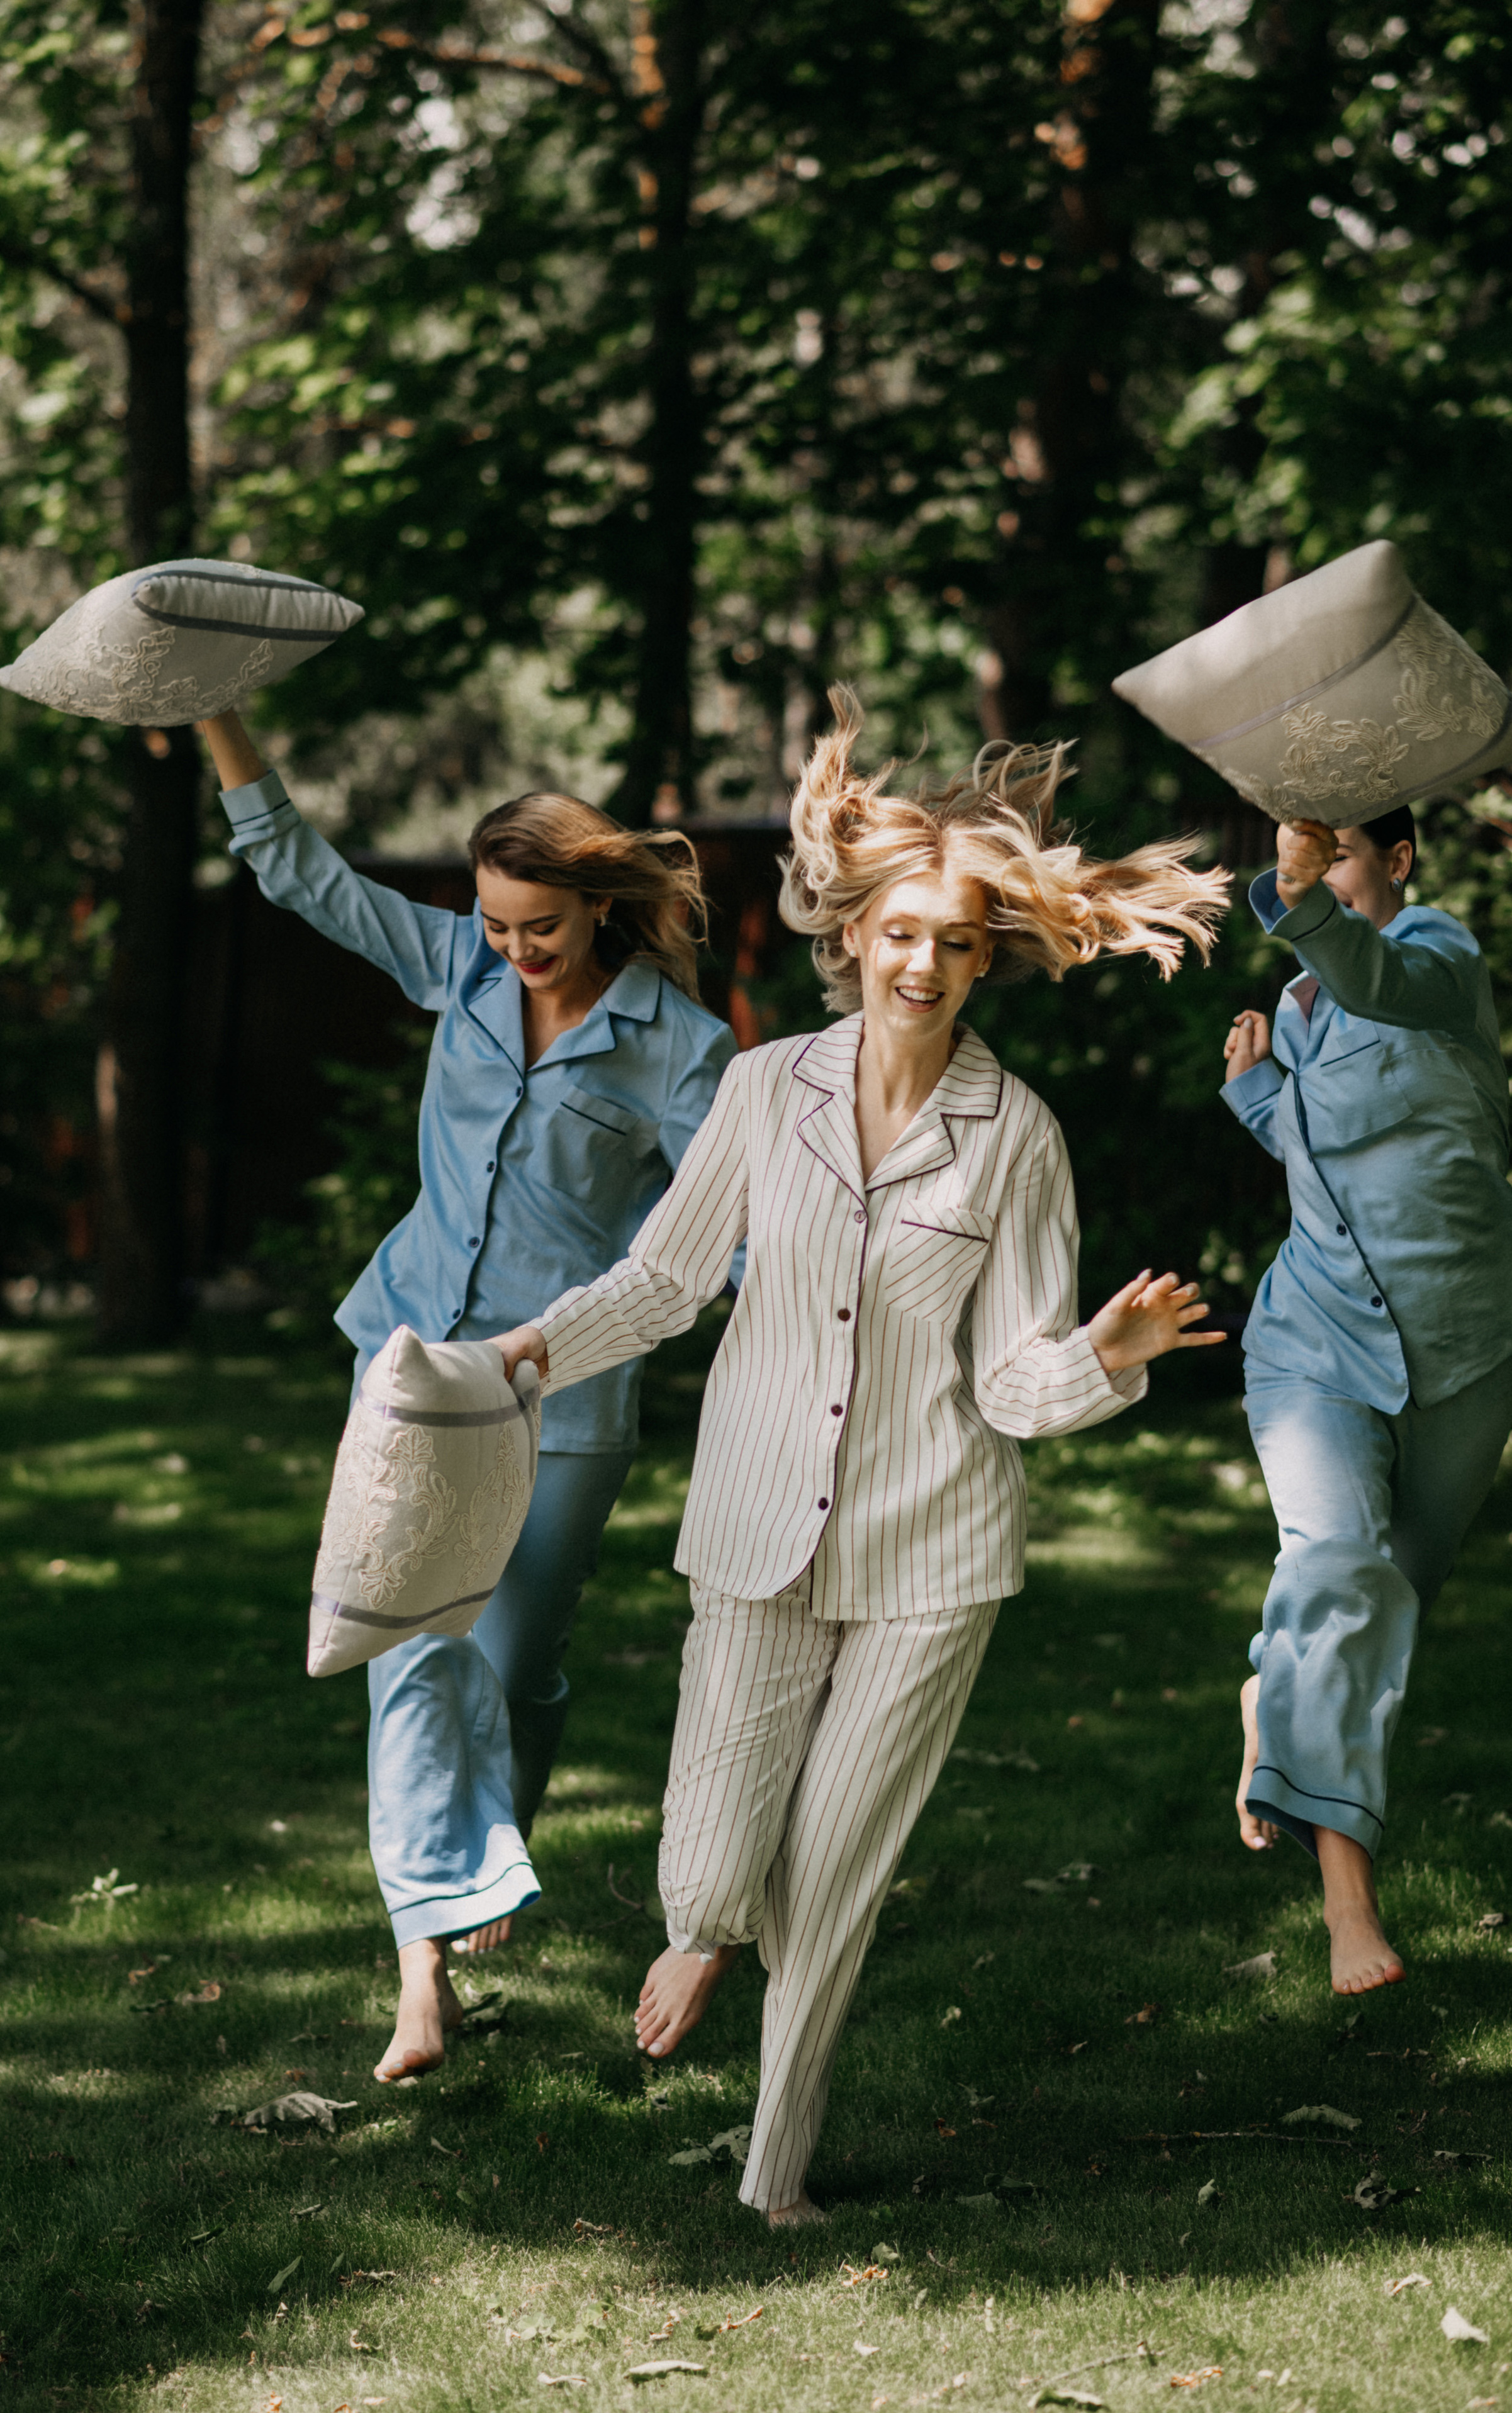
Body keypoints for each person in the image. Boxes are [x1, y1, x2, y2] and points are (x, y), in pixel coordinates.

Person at [488, 688, 1229, 2226]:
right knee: (712, 1863)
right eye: (900, 932)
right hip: (755, 1526)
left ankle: (774, 2179)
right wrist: (529, 1351)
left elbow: (1011, 1385)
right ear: (852, 933)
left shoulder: (1014, 1135)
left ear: (985, 957)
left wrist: (1105, 1355)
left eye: (955, 942)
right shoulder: (766, 1092)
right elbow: (664, 1281)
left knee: (832, 1868)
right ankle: (703, 1932)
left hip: (928, 1552)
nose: (922, 965)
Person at [196, 708, 737, 2080]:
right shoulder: (455, 967)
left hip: (564, 1396)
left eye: (540, 925)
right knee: (411, 1650)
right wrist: (218, 709)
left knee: (515, 1663)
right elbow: (303, 873)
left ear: (599, 905)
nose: (514, 949)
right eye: (496, 924)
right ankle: (422, 1975)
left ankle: (489, 1843)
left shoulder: (680, 1047)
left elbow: (719, 1234)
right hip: (413, 1367)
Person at [1221, 811, 1512, 1995]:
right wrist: (1260, 1095)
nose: (1307, 877)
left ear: (1397, 861)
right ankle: (1348, 1905)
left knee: (1392, 1597)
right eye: (1295, 856)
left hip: (1465, 1342)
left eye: (1332, 854)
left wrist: (1303, 907)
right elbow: (1328, 1159)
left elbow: (1379, 983)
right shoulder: (1301, 1009)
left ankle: (1276, 1686)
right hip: (1312, 1339)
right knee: (1344, 1575)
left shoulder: (1439, 956)